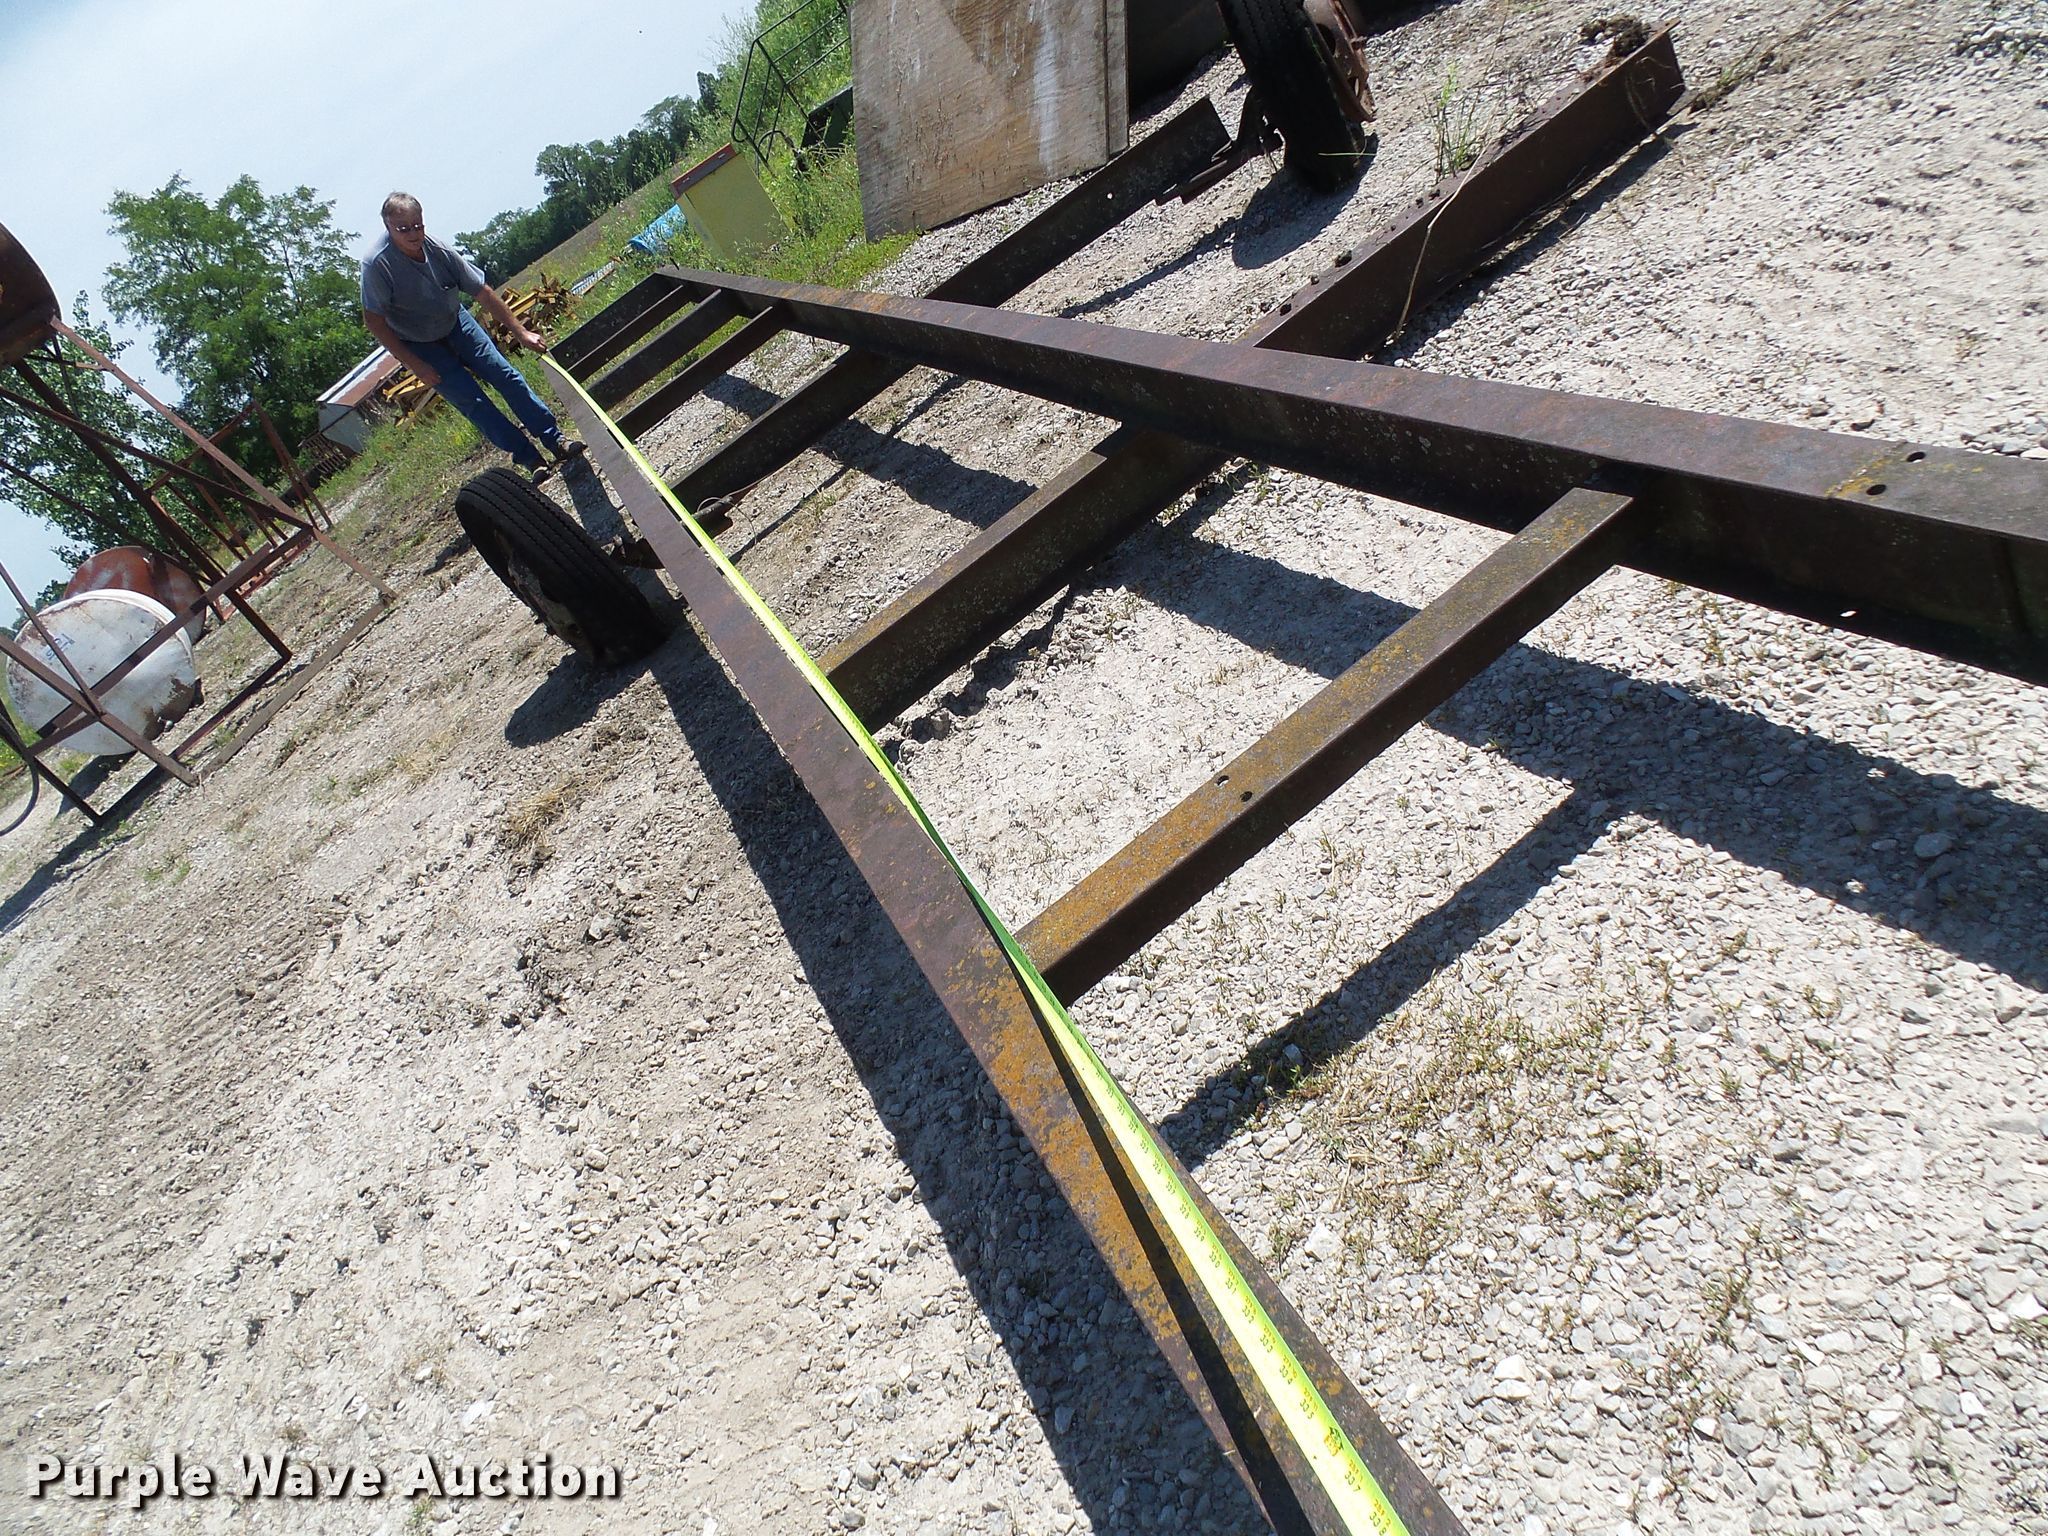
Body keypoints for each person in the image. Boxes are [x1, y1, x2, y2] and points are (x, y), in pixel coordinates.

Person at [361, 192, 583, 483]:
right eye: (404, 229)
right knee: (474, 402)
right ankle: (530, 459)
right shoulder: (377, 265)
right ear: (388, 228)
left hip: (455, 322)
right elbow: (374, 322)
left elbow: (482, 292)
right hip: (420, 343)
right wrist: (416, 365)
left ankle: (555, 439)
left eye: (418, 225)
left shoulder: (438, 250)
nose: (414, 234)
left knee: (505, 375)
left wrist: (522, 332)